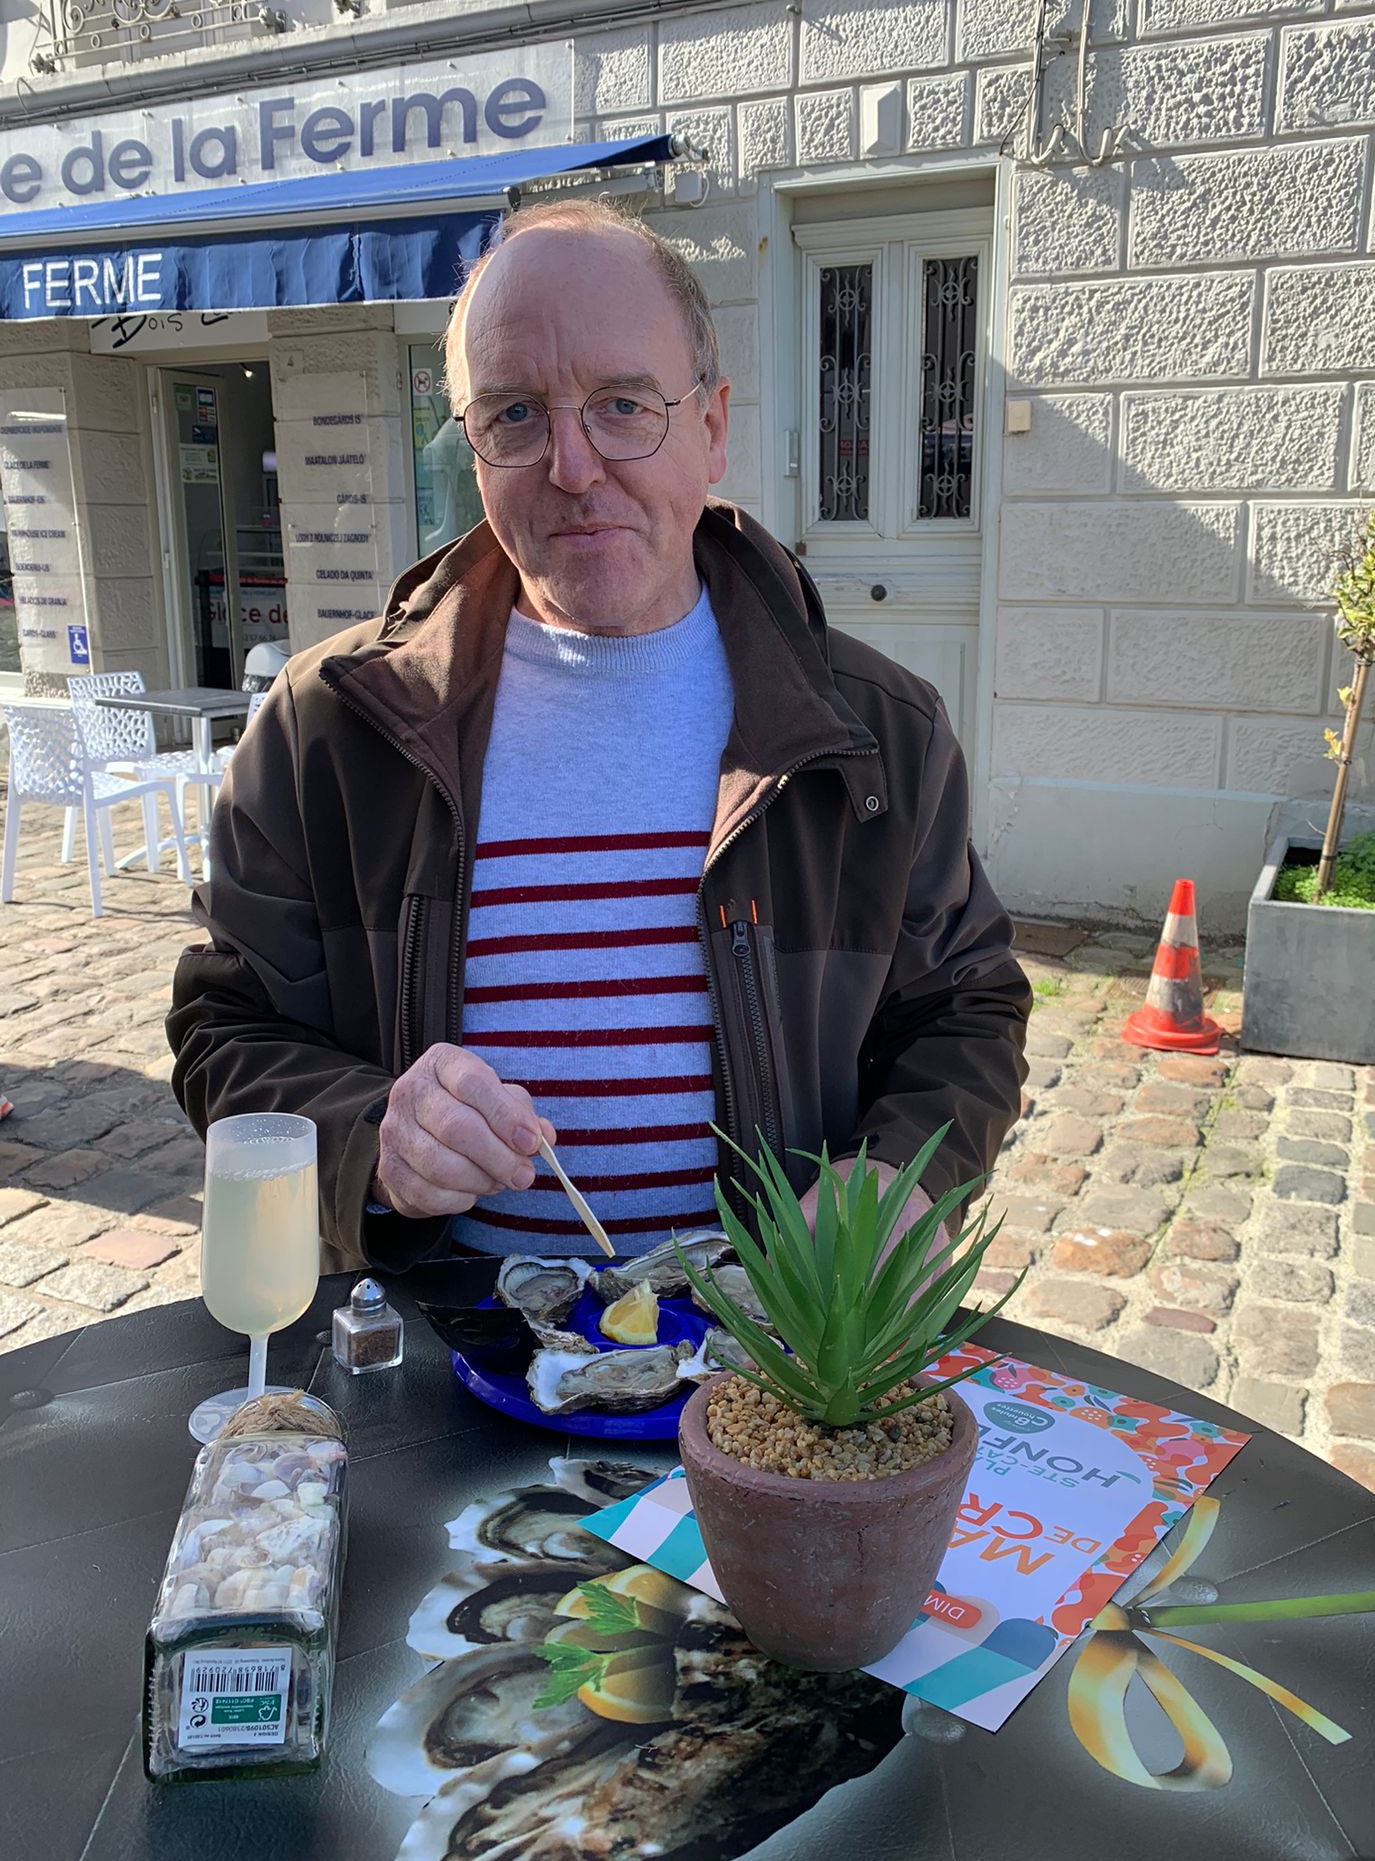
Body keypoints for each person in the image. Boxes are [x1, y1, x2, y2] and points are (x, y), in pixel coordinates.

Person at [167, 199, 1030, 1275]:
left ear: (712, 425)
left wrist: (896, 1177)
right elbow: (225, 1026)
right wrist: (368, 1135)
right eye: (516, 414)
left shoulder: (876, 732)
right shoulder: (328, 726)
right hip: (445, 1364)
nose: (572, 467)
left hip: (773, 1372)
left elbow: (968, 1010)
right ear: (471, 445)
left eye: (623, 405)